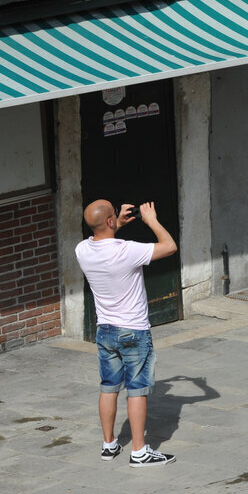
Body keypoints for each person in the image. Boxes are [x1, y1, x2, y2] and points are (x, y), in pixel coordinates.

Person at [75, 200, 178, 467]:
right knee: (137, 390)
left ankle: (109, 445)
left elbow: (103, 237)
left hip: (105, 331)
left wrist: (116, 222)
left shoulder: (82, 250)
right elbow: (169, 246)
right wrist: (151, 219)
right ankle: (139, 451)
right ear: (110, 221)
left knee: (109, 387)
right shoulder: (127, 251)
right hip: (133, 331)